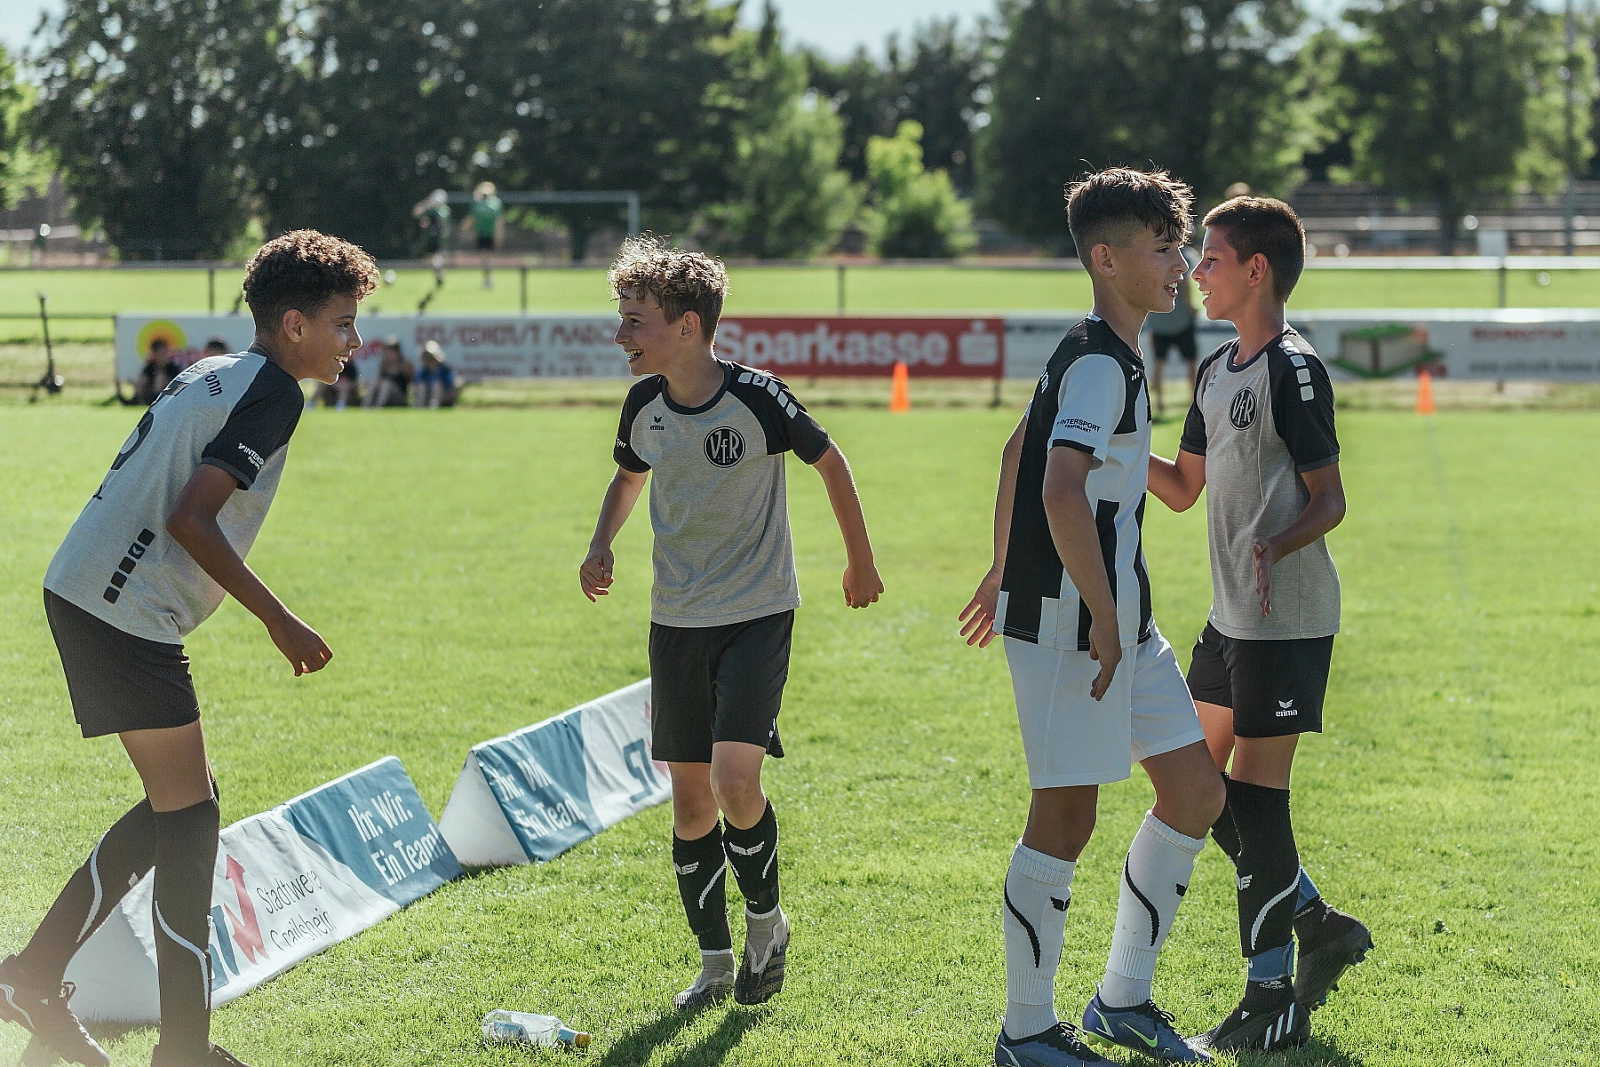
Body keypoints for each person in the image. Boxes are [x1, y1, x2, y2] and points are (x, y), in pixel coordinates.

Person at [0, 229, 377, 1067]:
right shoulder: (274, 392)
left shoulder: (218, 369)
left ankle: (33, 976)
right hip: (122, 610)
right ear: (294, 325)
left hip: (88, 592)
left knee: (182, 806)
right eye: (344, 323)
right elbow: (189, 519)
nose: (355, 340)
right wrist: (280, 619)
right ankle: (180, 1048)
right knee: (191, 818)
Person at [958, 168, 1226, 1067]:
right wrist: (1097, 617)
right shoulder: (1101, 361)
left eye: (1181, 246)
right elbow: (1059, 485)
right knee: (1065, 818)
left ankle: (1121, 1000)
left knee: (1195, 793)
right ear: (1106, 259)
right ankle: (1026, 1031)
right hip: (1077, 630)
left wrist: (1005, 563)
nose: (1181, 264)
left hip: (1119, 624)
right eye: (1164, 248)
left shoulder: (1102, 349)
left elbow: (1017, 449)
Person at [580, 236, 883, 1014]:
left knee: (734, 781)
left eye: (635, 320)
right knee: (690, 804)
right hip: (675, 618)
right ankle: (715, 962)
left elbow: (831, 462)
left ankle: (767, 921)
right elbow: (628, 476)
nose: (621, 333)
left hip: (756, 613)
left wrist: (860, 560)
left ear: (687, 326)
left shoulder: (758, 398)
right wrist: (602, 541)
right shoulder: (644, 405)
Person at [1147, 196, 1371, 1052]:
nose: (1196, 271)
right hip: (1229, 619)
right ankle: (1316, 920)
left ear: (1256, 270)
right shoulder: (1214, 370)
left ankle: (1270, 994)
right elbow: (1182, 487)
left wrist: (1277, 542)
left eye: (1210, 257)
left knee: (1257, 799)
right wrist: (1113, 449)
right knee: (1195, 784)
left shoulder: (1295, 369)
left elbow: (1330, 499)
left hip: (1286, 623)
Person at [1145, 263, 1197, 418]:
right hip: (1181, 321)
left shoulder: (1151, 265)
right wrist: (1190, 308)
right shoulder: (1180, 261)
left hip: (1159, 323)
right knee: (1191, 362)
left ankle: (1159, 403)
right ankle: (1194, 400)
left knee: (1159, 363)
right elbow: (1186, 285)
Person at [471, 181, 503, 289]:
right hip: (481, 234)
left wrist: (498, 235)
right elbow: (472, 219)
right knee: (484, 259)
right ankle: (487, 279)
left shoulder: (495, 203)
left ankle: (488, 280)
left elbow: (499, 221)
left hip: (491, 234)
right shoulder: (477, 204)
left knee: (487, 259)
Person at [364, 338, 412, 408]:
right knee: (374, 382)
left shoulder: (405, 364)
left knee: (386, 384)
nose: (388, 355)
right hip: (384, 394)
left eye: (391, 352)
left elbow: (411, 381)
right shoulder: (384, 365)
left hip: (399, 395)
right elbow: (380, 379)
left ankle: (379, 407)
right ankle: (366, 406)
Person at [136, 339, 182, 406]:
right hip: (151, 396)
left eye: (165, 353)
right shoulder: (150, 367)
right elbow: (142, 382)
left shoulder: (173, 368)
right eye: (161, 354)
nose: (164, 357)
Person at [413, 340, 457, 408]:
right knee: (422, 386)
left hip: (442, 398)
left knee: (436, 385)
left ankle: (434, 407)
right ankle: (420, 406)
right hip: (426, 397)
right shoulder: (423, 371)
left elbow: (450, 388)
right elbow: (417, 384)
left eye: (429, 357)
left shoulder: (445, 370)